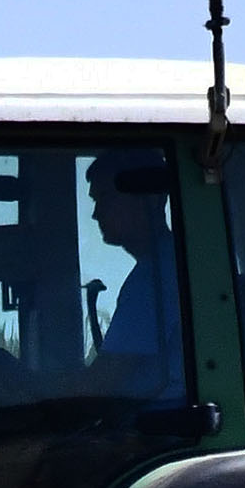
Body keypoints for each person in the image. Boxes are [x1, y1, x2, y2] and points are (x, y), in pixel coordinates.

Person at [85, 151, 183, 398]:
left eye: (105, 198)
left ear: (151, 198)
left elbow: (100, 384)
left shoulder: (156, 278)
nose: (96, 213)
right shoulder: (171, 262)